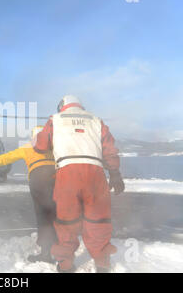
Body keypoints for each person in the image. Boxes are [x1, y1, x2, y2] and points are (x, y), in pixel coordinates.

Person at [34, 95, 124, 273]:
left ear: (62, 106)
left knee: (66, 222)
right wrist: (115, 173)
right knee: (98, 220)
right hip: (95, 173)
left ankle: (65, 264)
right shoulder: (96, 120)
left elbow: (41, 146)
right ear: (80, 106)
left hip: (67, 174)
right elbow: (109, 149)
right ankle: (102, 262)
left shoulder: (55, 119)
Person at [0, 126, 57, 262]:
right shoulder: (54, 147)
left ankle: (46, 253)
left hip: (38, 179)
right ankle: (60, 246)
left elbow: (6, 158)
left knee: (43, 215)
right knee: (56, 213)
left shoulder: (28, 147)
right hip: (56, 178)